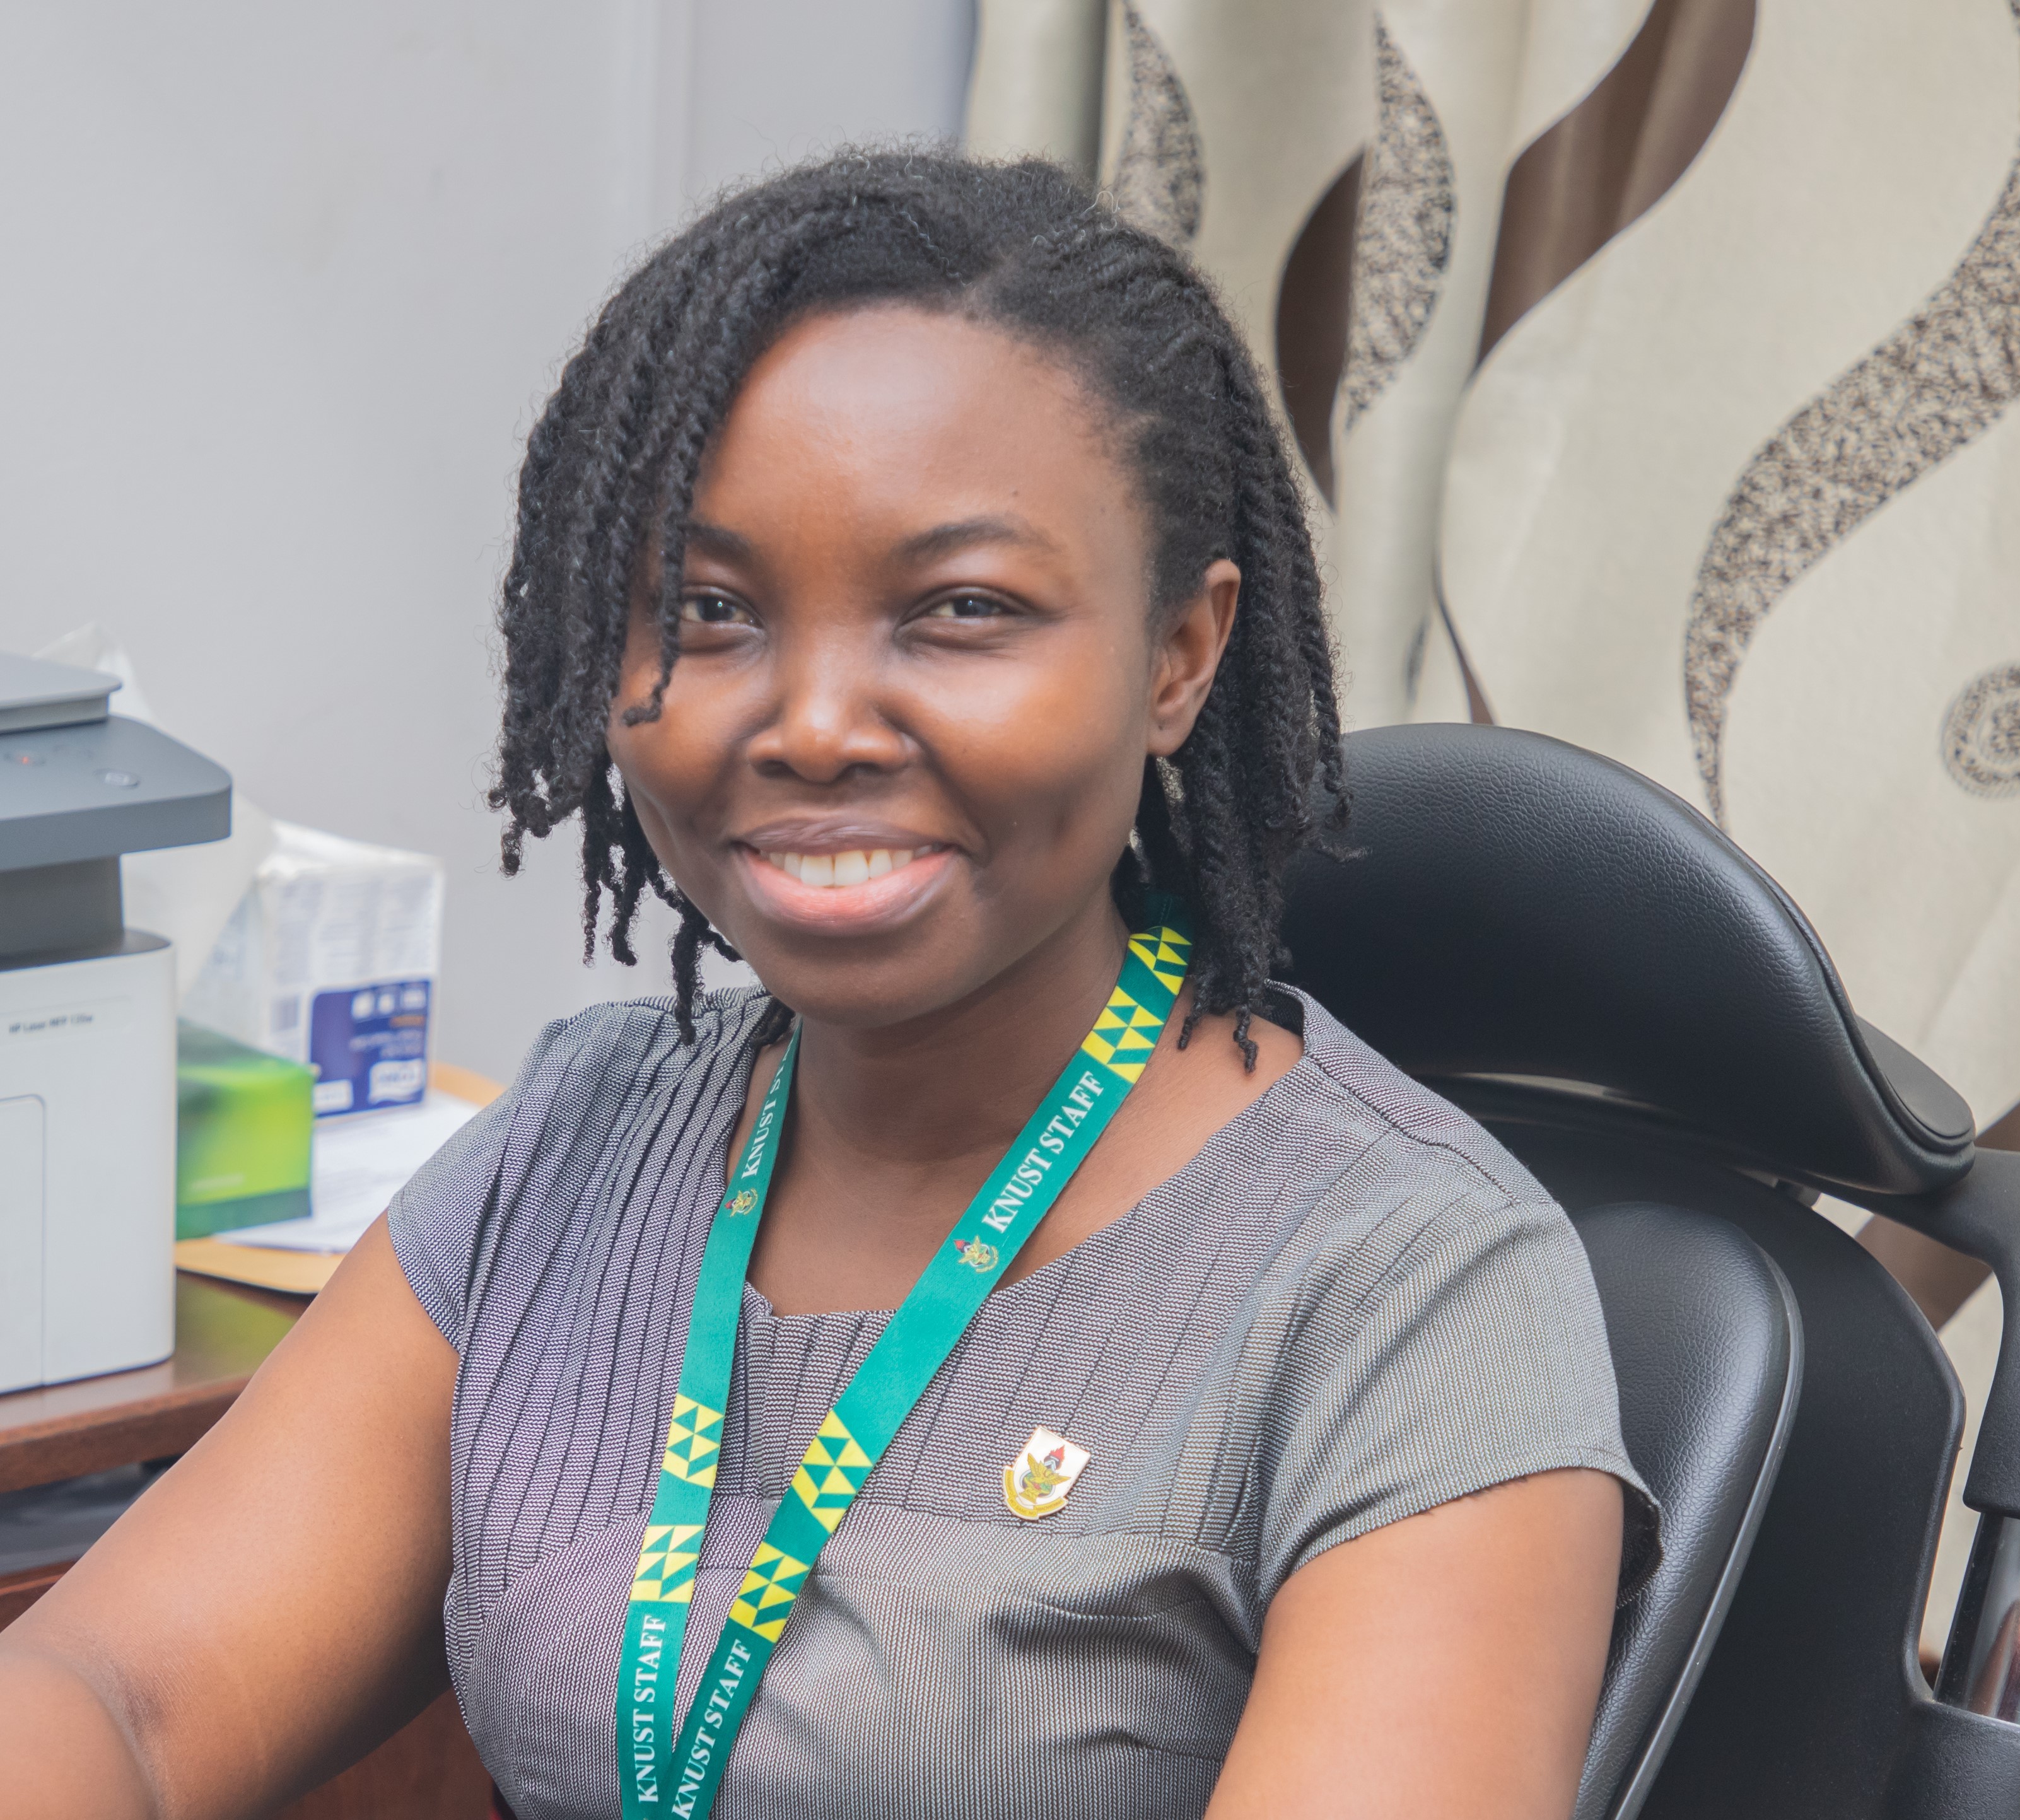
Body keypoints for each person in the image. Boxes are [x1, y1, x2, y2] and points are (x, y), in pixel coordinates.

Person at [0, 151, 1657, 1819]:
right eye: (710, 612)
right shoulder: (575, 1148)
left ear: (1178, 656)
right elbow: (121, 1697)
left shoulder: (1415, 1293)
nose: (810, 725)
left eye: (960, 609)